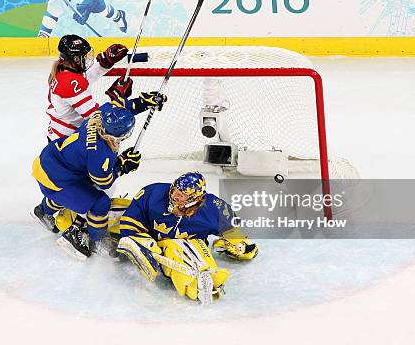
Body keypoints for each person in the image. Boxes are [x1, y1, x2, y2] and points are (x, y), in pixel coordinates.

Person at [32, 91, 167, 259]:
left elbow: (121, 105)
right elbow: (104, 182)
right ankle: (94, 239)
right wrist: (123, 166)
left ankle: (42, 210)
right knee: (100, 202)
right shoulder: (100, 153)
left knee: (77, 189)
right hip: (57, 180)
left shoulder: (102, 114)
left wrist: (143, 102)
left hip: (49, 162)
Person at [116, 172, 258, 303]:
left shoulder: (214, 208)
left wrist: (239, 244)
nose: (174, 196)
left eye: (181, 195)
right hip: (152, 241)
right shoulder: (153, 193)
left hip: (191, 246)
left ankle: (207, 280)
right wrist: (142, 241)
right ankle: (195, 284)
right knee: (170, 246)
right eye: (174, 190)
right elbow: (131, 219)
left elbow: (233, 227)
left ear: (194, 199)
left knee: (187, 246)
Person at [45, 34, 132, 142]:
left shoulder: (63, 71)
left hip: (58, 135)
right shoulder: (70, 83)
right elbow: (95, 117)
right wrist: (114, 95)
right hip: (66, 143)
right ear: (75, 59)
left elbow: (86, 78)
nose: (86, 59)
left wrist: (105, 62)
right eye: (84, 56)